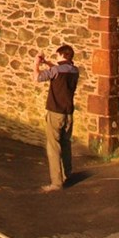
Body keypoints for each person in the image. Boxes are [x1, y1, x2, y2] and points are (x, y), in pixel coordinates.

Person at [35, 44, 79, 191]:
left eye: (57, 55)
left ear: (61, 55)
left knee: (53, 146)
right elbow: (61, 69)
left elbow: (38, 77)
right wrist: (47, 62)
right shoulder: (74, 70)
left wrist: (36, 63)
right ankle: (68, 173)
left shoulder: (55, 71)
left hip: (55, 112)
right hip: (68, 113)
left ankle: (56, 182)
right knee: (66, 143)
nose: (56, 57)